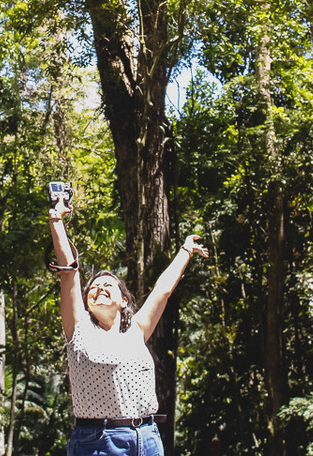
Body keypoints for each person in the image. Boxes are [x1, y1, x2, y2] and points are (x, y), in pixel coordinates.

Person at [47, 190, 209, 456]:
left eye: (107, 284)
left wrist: (186, 251)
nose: (98, 288)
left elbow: (162, 290)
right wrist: (56, 221)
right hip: (98, 442)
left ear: (123, 301)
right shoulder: (79, 330)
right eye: (93, 287)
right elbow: (68, 273)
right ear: (86, 303)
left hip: (148, 439)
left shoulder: (136, 330)